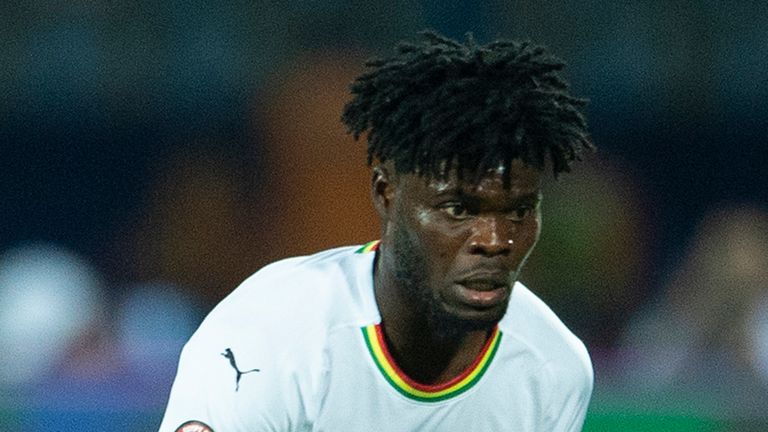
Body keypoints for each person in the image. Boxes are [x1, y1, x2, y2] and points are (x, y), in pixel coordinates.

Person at [159, 30, 595, 432]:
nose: (495, 240)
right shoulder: (267, 338)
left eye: (519, 211)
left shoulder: (554, 369)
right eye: (458, 209)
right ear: (386, 192)